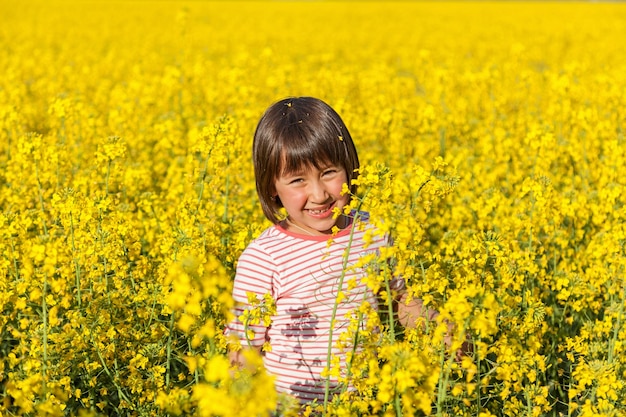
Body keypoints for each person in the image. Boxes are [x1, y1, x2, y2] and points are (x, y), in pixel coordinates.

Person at [226, 96, 439, 406]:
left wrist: (442, 328)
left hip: (367, 403)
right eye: (297, 180)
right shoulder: (263, 258)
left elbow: (399, 301)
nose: (319, 193)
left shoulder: (374, 234)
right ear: (272, 186)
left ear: (350, 170)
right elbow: (243, 350)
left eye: (328, 173)